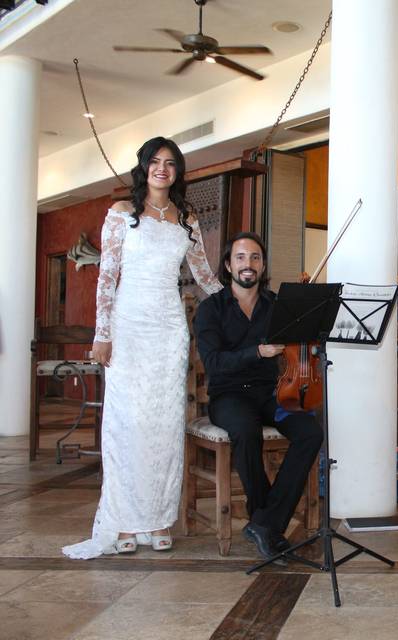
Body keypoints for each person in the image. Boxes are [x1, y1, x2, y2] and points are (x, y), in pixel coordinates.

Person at [63, 137, 222, 559]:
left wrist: (247, 302)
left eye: (170, 163)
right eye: (155, 162)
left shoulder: (186, 218)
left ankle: (157, 519)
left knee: (165, 425)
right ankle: (126, 520)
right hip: (128, 327)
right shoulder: (120, 214)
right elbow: (107, 277)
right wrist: (102, 334)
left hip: (169, 329)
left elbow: (205, 278)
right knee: (127, 423)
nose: (162, 169)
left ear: (178, 171)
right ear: (144, 167)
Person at [193, 232, 323, 560]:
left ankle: (264, 523)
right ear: (228, 265)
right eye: (240, 257)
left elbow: (303, 340)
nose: (248, 264)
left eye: (254, 257)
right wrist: (257, 352)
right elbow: (214, 364)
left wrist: (310, 325)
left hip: (274, 393)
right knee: (245, 431)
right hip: (229, 395)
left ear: (262, 265)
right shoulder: (211, 309)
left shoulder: (277, 305)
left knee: (311, 432)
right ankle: (267, 520)